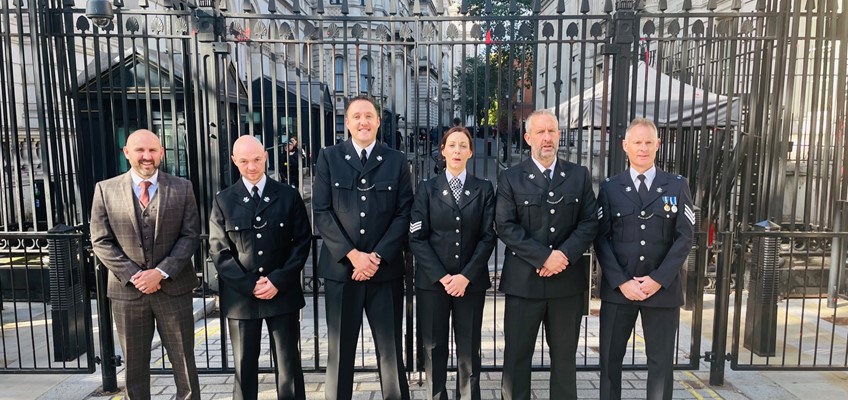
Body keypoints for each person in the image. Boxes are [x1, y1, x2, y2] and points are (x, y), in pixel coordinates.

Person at [313, 95, 413, 400]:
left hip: (385, 272)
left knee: (390, 352)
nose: (363, 122)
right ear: (347, 122)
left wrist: (377, 257)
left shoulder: (396, 160)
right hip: (342, 271)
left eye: (369, 116)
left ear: (378, 122)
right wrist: (354, 256)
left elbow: (404, 213)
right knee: (340, 353)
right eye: (356, 117)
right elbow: (321, 211)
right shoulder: (329, 157)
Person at [90, 129, 201, 400]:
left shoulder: (182, 187)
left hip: (173, 289)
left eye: (152, 150)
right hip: (128, 293)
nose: (147, 156)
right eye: (140, 150)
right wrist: (135, 275)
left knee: (184, 363)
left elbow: (190, 235)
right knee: (134, 367)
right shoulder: (105, 189)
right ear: (127, 153)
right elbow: (100, 240)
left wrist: (161, 272)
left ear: (161, 153)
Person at [495, 110, 599, 400]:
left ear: (559, 135)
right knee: (517, 358)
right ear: (528, 138)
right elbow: (505, 226)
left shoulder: (578, 175)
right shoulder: (511, 178)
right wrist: (544, 257)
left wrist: (562, 256)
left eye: (552, 131)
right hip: (523, 284)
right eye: (540, 132)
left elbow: (590, 222)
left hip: (566, 285)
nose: (547, 138)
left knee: (565, 359)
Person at [594, 118, 694, 400]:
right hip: (619, 291)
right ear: (625, 146)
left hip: (662, 290)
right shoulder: (610, 187)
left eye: (649, 142)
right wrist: (621, 281)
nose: (643, 148)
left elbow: (685, 237)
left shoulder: (676, 186)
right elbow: (600, 238)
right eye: (637, 142)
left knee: (661, 364)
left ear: (658, 145)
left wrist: (658, 279)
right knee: (610, 363)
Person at [208, 135, 311, 400]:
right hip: (242, 298)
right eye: (244, 161)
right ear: (234, 161)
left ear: (265, 156)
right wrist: (249, 285)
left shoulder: (288, 196)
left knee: (288, 367)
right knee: (244, 368)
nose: (251, 166)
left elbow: (301, 242)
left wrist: (278, 280)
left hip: (282, 293)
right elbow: (219, 251)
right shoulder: (224, 200)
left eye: (256, 159)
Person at [409, 126, 496, 400]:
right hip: (433, 283)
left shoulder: (483, 189)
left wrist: (465, 276)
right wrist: (443, 277)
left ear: (470, 153)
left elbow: (488, 237)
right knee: (433, 348)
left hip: (470, 283)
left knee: (468, 348)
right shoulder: (427, 189)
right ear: (443, 151)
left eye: (463, 146)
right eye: (452, 145)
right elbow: (417, 237)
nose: (457, 150)